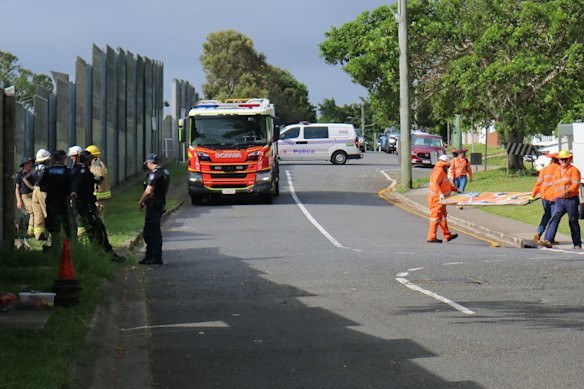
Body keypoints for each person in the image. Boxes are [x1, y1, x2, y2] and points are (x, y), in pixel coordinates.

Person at [71, 150, 124, 261]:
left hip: (81, 205)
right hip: (86, 205)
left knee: (92, 230)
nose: (91, 160)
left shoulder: (75, 169)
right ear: (86, 159)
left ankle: (98, 253)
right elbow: (94, 180)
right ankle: (107, 254)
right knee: (98, 229)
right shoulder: (84, 170)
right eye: (89, 158)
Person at [540, 150, 582, 249]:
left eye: (565, 159)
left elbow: (576, 184)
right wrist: (555, 195)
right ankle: (548, 240)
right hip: (559, 200)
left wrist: (568, 191)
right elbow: (554, 184)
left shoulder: (574, 170)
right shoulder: (557, 171)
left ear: (570, 159)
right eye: (561, 159)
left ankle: (577, 244)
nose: (563, 161)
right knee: (555, 218)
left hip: (571, 199)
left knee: (573, 221)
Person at [139, 154, 169, 265]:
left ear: (149, 163)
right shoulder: (165, 171)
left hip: (154, 205)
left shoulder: (155, 174)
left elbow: (148, 191)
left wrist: (141, 201)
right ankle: (150, 256)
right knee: (150, 231)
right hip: (159, 203)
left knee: (151, 232)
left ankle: (154, 257)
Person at [39, 150, 73, 250]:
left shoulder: (48, 171)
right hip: (63, 201)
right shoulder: (67, 171)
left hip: (51, 201)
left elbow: (42, 186)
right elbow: (71, 186)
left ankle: (55, 245)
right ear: (63, 159)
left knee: (53, 224)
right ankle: (69, 245)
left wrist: (50, 189)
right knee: (66, 223)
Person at [427, 154, 460, 243]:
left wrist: (456, 189)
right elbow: (435, 184)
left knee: (442, 217)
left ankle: (447, 235)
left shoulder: (441, 171)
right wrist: (440, 194)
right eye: (448, 166)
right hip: (436, 199)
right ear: (445, 164)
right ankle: (431, 237)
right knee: (435, 218)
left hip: (441, 200)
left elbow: (446, 184)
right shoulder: (438, 171)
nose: (448, 168)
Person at [530, 152, 559, 243]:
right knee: (555, 218)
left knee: (547, 215)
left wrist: (532, 196)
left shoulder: (544, 169)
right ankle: (550, 238)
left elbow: (538, 184)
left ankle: (538, 233)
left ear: (552, 160)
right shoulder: (561, 170)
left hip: (544, 196)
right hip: (555, 196)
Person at [24, 148, 51, 241]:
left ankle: (38, 236)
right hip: (44, 192)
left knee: (37, 214)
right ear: (46, 160)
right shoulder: (47, 169)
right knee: (47, 212)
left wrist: (32, 187)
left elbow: (25, 178)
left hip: (35, 191)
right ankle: (51, 234)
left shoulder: (34, 169)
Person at [85, 145, 111, 223]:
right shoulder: (97, 163)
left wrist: (89, 180)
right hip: (100, 194)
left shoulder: (96, 165)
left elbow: (99, 177)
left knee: (98, 214)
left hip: (98, 194)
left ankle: (100, 232)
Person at [15, 156, 35, 238]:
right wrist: (19, 201)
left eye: (31, 163)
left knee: (35, 212)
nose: (31, 164)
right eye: (29, 163)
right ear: (24, 165)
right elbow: (17, 188)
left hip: (33, 195)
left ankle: (32, 232)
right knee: (33, 212)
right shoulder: (20, 175)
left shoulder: (33, 173)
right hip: (25, 196)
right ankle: (30, 233)